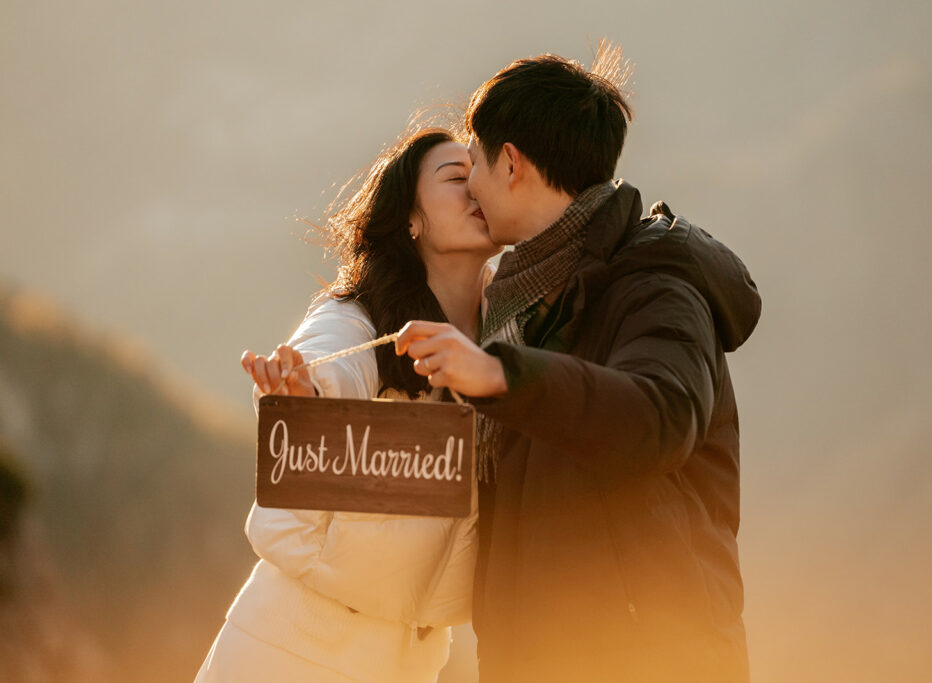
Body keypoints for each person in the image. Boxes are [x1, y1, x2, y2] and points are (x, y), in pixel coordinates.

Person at [395, 48, 761, 682]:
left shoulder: (655, 286)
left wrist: (504, 376)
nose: (471, 187)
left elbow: (661, 415)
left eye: (473, 163)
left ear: (509, 163)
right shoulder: (524, 297)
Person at [195, 126, 500, 683]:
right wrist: (303, 394)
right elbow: (329, 363)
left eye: (479, 174)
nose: (474, 189)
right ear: (410, 219)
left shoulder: (508, 338)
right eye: (455, 178)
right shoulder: (358, 317)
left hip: (411, 663)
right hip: (294, 647)